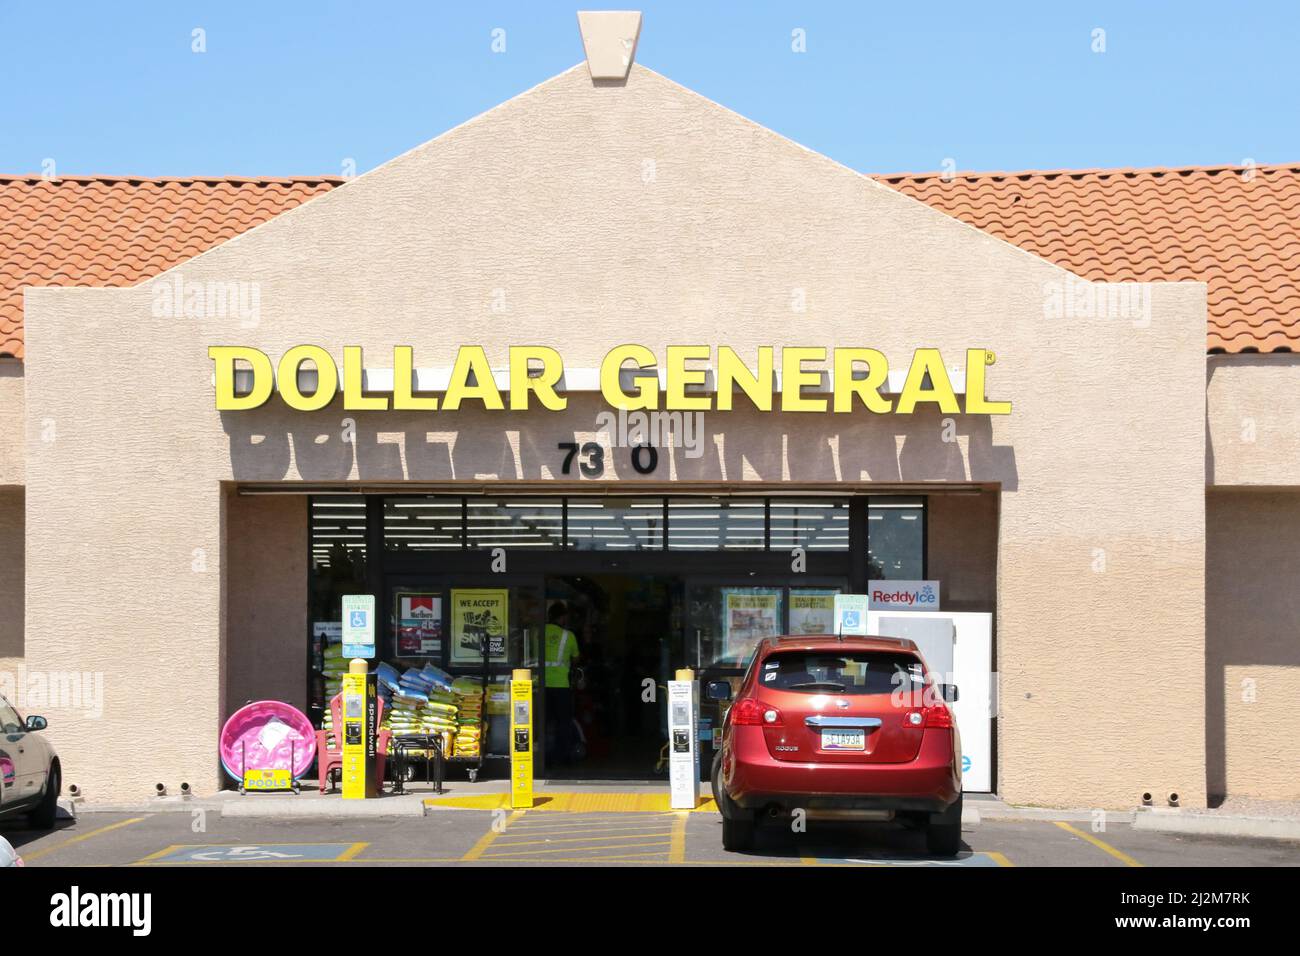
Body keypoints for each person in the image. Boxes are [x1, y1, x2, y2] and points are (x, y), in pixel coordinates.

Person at [544, 602, 581, 764]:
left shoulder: (539, 631)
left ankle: (542, 755)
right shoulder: (569, 636)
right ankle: (561, 756)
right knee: (563, 723)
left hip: (542, 685)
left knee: (542, 721)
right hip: (561, 686)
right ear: (563, 617)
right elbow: (576, 658)